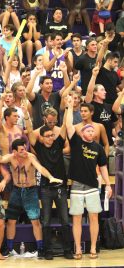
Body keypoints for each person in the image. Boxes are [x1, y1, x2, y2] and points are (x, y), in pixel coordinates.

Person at [0, 137, 64, 258]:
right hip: (16, 191)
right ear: (15, 151)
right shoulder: (11, 157)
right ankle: (9, 248)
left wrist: (50, 177)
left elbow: (40, 168)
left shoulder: (30, 157)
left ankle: (40, 248)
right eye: (21, 150)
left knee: (35, 221)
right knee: (11, 221)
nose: (24, 151)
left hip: (30, 191)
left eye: (25, 148)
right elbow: (0, 159)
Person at [66, 95, 112, 259]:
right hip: (77, 185)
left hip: (93, 185)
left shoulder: (99, 148)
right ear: (83, 132)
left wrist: (108, 184)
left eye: (93, 130)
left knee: (93, 217)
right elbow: (68, 125)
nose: (91, 132)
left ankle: (93, 248)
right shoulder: (76, 142)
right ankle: (78, 248)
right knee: (77, 219)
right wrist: (70, 107)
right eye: (88, 130)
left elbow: (104, 167)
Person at [25, 104, 73, 260]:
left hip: (60, 187)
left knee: (65, 220)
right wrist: (26, 116)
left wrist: (69, 108)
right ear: (42, 137)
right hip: (45, 188)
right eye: (47, 136)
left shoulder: (59, 143)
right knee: (45, 221)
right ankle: (47, 251)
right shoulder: (38, 146)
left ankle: (67, 250)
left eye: (52, 135)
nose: (51, 138)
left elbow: (65, 126)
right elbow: (31, 133)